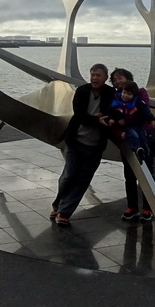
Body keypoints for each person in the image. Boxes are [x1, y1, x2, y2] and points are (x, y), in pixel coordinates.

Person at [50, 63, 116, 226]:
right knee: (69, 175)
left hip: (95, 146)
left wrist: (101, 118)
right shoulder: (82, 91)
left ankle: (64, 212)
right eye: (92, 74)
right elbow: (79, 115)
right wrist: (97, 119)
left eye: (98, 75)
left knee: (83, 179)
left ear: (106, 77)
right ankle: (58, 204)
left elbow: (112, 113)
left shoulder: (110, 93)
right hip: (75, 141)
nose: (94, 78)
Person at [109, 67, 155, 222]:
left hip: (143, 136)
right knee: (129, 174)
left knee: (146, 172)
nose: (117, 81)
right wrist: (119, 129)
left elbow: (142, 113)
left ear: (128, 78)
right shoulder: (116, 96)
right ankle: (132, 207)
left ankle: (148, 209)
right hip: (126, 139)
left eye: (120, 78)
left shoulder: (140, 93)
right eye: (115, 79)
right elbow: (113, 114)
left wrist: (124, 121)